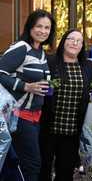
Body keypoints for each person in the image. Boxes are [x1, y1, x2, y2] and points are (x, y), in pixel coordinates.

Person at [0, 9, 56, 181]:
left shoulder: (40, 52)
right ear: (30, 27)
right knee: (32, 164)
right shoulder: (21, 48)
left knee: (22, 164)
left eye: (47, 28)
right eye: (39, 26)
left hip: (35, 117)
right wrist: (26, 86)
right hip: (18, 116)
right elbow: (0, 72)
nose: (43, 31)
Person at [39, 29, 92, 181]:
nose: (74, 43)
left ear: (82, 46)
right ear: (64, 41)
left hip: (72, 130)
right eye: (71, 39)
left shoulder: (88, 67)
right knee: (43, 168)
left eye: (79, 41)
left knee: (65, 170)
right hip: (48, 126)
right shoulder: (50, 62)